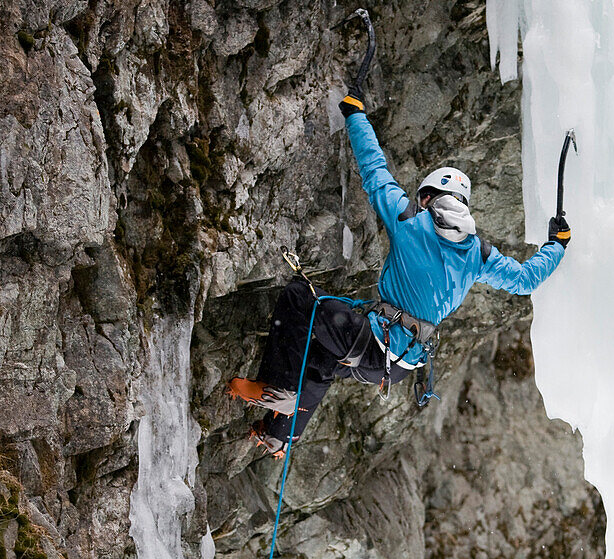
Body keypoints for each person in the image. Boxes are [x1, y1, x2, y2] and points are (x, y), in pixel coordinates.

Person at [227, 88, 573, 457]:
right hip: (398, 366)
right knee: (320, 357)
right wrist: (558, 244)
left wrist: (355, 115)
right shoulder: (479, 254)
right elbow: (525, 280)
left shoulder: (410, 221)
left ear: (426, 197)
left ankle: (273, 388)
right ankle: (282, 434)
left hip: (375, 343)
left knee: (302, 300)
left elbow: (375, 173)